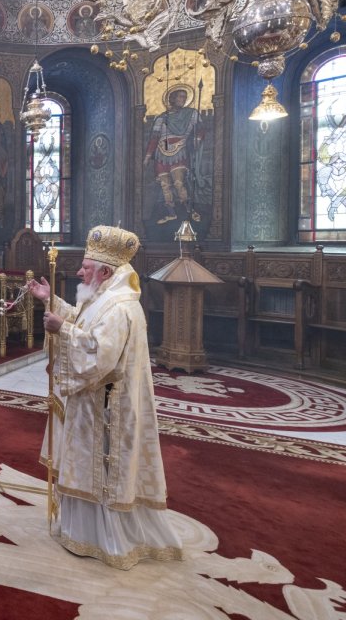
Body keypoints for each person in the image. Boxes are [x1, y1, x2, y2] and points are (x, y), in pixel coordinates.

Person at [26, 225, 183, 570]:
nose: (80, 272)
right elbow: (85, 321)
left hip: (107, 408)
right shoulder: (107, 296)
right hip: (94, 404)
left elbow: (99, 356)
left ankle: (106, 539)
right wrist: (49, 301)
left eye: (85, 267)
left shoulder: (119, 307)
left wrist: (60, 329)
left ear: (105, 272)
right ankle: (84, 531)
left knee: (102, 470)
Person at [143, 87, 204, 224]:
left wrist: (197, 139)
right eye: (180, 96)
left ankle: (190, 211)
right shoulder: (161, 118)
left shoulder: (191, 114)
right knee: (165, 186)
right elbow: (154, 138)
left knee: (178, 183)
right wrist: (147, 156)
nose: (182, 99)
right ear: (173, 99)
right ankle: (171, 214)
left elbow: (200, 129)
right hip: (161, 154)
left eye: (184, 97)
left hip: (179, 151)